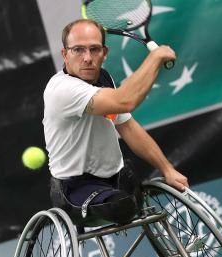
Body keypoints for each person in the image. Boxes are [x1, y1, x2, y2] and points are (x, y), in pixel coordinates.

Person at [43, 19, 188, 227]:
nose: (87, 58)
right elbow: (125, 100)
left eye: (94, 49)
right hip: (75, 188)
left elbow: (127, 126)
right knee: (122, 205)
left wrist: (167, 169)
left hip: (115, 177)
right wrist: (155, 58)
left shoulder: (103, 77)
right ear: (65, 55)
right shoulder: (61, 90)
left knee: (136, 195)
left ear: (105, 53)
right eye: (78, 50)